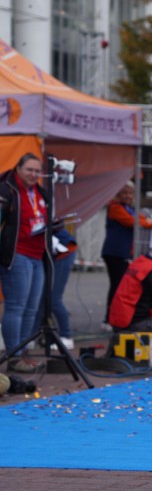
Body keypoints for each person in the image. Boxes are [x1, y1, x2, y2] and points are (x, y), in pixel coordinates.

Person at [0, 153, 48, 373]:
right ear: (18, 168)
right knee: (16, 306)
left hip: (37, 255)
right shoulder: (7, 189)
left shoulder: (40, 192)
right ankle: (13, 355)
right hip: (17, 253)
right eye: (29, 169)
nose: (33, 174)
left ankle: (24, 351)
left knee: (31, 308)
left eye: (37, 171)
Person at [101, 181, 152, 330]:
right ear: (118, 195)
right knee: (117, 286)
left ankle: (113, 318)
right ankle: (109, 319)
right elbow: (133, 222)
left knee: (119, 285)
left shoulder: (128, 208)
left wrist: (148, 221)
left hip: (121, 253)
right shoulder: (115, 208)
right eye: (124, 193)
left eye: (130, 193)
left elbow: (139, 218)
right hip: (114, 253)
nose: (127, 196)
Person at [35, 227, 78, 350]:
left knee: (54, 298)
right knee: (42, 298)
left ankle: (66, 335)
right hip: (57, 250)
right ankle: (32, 335)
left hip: (63, 252)